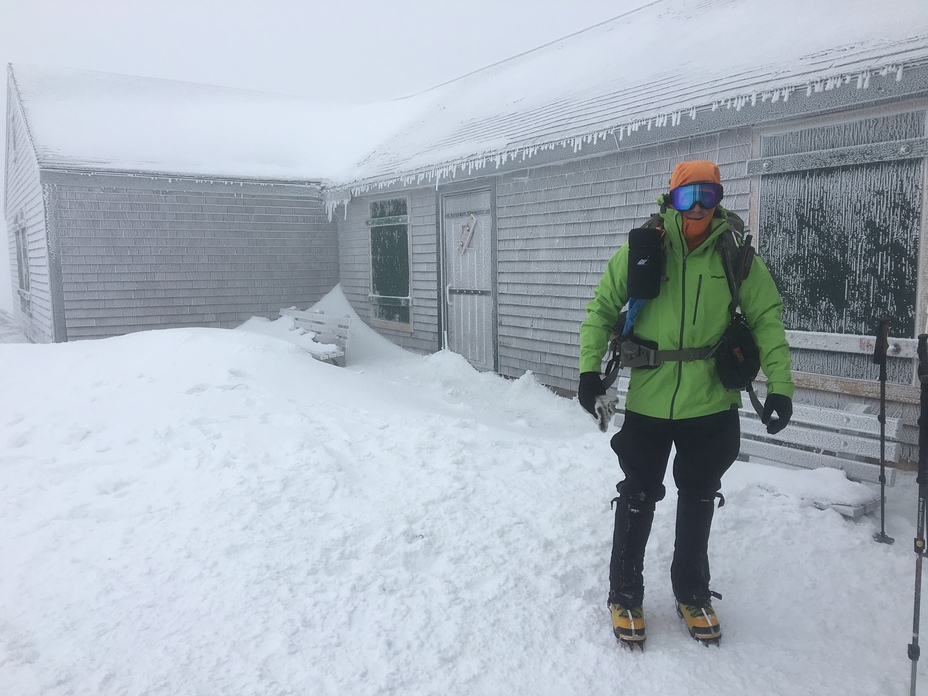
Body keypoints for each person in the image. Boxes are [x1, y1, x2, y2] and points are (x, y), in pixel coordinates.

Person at [577, 160, 794, 649]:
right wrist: (590, 372)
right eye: (685, 196)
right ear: (669, 199)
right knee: (637, 492)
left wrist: (780, 386)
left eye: (707, 196)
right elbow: (601, 309)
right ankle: (625, 593)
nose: (696, 208)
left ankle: (692, 591)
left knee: (698, 496)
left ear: (719, 199)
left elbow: (767, 319)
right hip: (650, 400)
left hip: (712, 402)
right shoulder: (643, 250)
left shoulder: (735, 257)